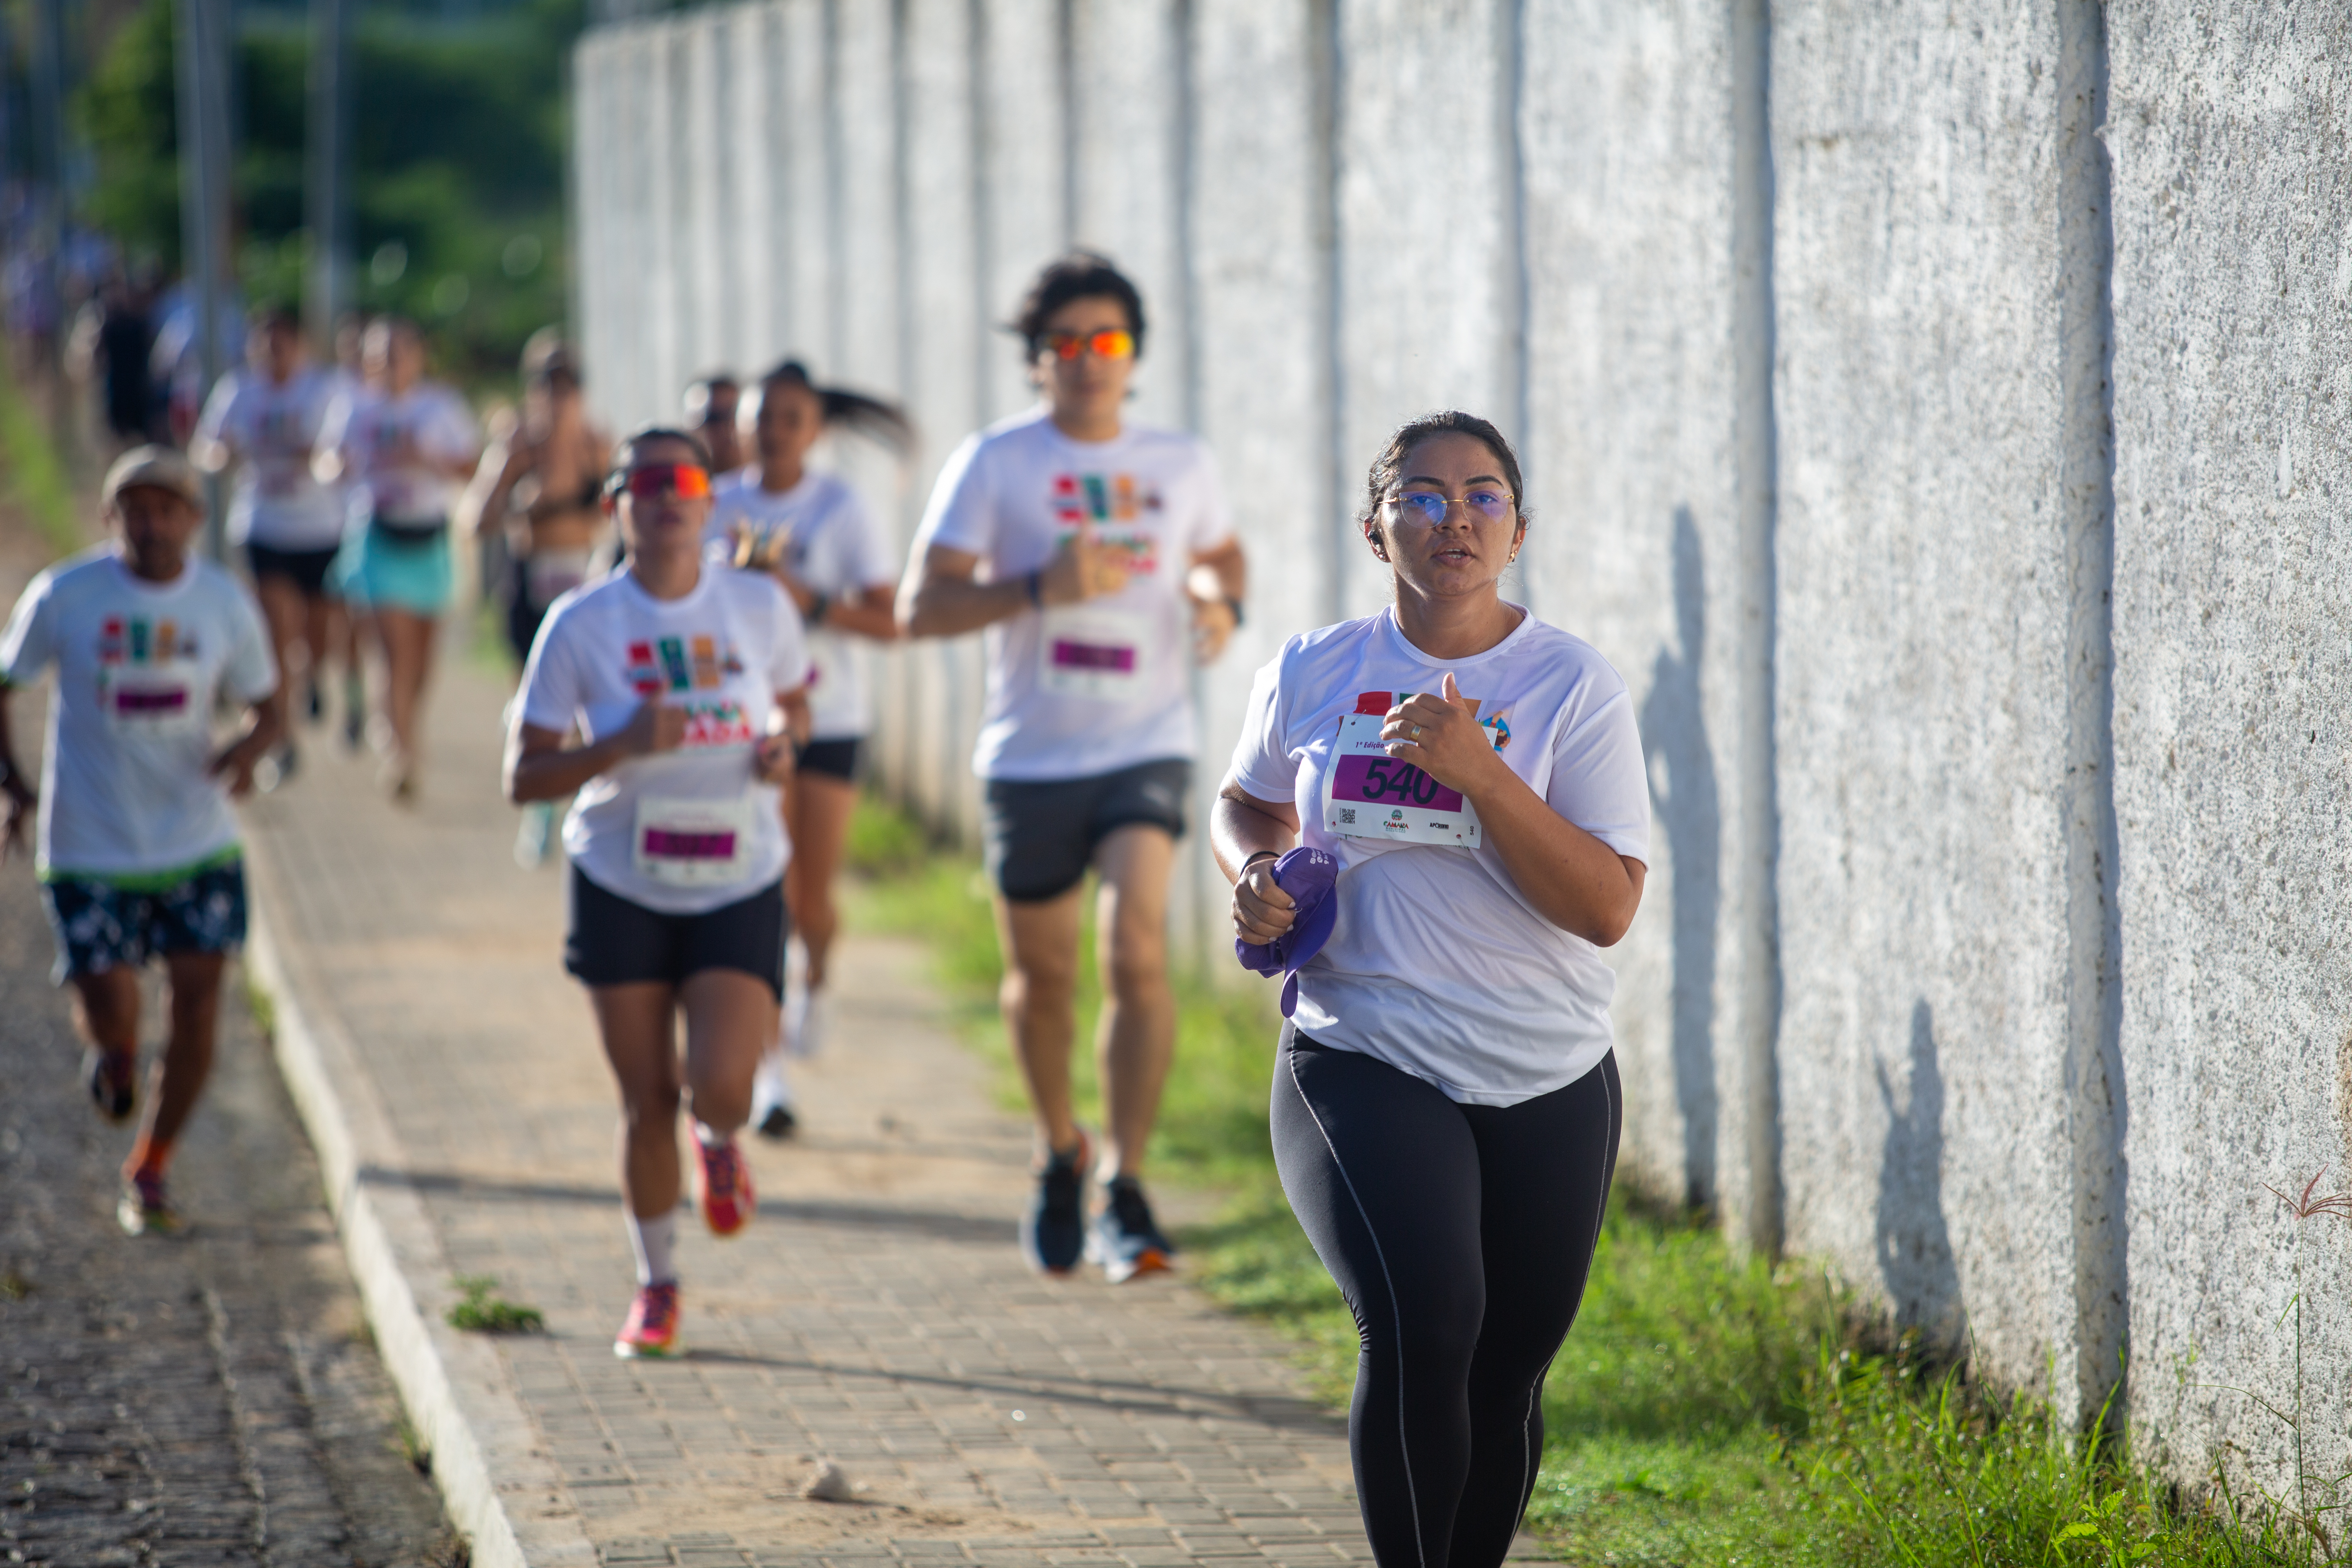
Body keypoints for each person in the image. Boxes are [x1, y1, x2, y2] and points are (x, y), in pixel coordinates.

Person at [1212, 411, 1649, 1568]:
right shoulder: (1314, 669)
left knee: (1505, 1370)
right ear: (1376, 529)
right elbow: (1245, 802)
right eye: (1421, 496)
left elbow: (1606, 907)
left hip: (1548, 1067)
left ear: (1515, 530)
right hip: (1362, 1048)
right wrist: (1252, 870)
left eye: (1483, 495)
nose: (1453, 515)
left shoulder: (1570, 684)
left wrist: (1480, 773)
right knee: (1423, 1326)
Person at [898, 253, 1247, 1282]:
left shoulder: (1179, 461)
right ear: (1036, 360)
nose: (1089, 362)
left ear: (1132, 354)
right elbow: (924, 605)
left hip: (1145, 742)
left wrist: (1214, 599)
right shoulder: (995, 463)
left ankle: (1126, 1185)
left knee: (1134, 948)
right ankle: (1061, 1146)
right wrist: (1037, 584)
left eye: (1108, 343)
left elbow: (1223, 557)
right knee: (1041, 977)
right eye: (1066, 345)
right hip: (1029, 755)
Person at [504, 427, 811, 1359]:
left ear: (709, 501)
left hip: (738, 871)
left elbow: (793, 704)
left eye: (683, 480)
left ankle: (717, 1141)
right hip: (620, 877)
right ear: (616, 506)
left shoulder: (758, 604)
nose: (666, 495)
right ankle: (655, 1285)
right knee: (644, 1098)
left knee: (720, 1083)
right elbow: (525, 777)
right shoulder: (581, 624)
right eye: (644, 483)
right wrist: (621, 743)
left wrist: (779, 749)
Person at [0, 448, 281, 1236]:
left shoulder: (224, 602)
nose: (152, 524)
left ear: (195, 519)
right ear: (110, 516)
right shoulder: (65, 595)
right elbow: (6, 679)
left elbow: (272, 707)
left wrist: (247, 752)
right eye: (136, 508)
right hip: (89, 845)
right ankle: (116, 1056)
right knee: (115, 1008)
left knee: (198, 1011)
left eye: (168, 508)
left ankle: (152, 1163)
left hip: (196, 843)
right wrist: (13, 782)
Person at [707, 360, 912, 1136]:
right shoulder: (719, 506)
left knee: (810, 899)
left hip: (830, 717)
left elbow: (889, 622)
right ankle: (771, 1078)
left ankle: (816, 979)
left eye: (790, 418)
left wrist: (803, 597)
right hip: (747, 724)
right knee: (763, 889)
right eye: (761, 417)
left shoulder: (841, 508)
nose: (773, 432)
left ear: (815, 429)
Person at [315, 316, 480, 802]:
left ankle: (409, 732)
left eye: (400, 353)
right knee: (391, 651)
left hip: (429, 538)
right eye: (381, 355)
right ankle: (399, 753)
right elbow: (327, 460)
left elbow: (471, 465)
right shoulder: (353, 407)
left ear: (418, 357)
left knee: (424, 660)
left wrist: (427, 459)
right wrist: (345, 466)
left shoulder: (441, 406)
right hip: (376, 536)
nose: (391, 364)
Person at [468, 331, 615, 865]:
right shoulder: (518, 445)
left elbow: (618, 516)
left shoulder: (599, 445)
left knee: (583, 706)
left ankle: (573, 804)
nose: (557, 396)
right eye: (546, 384)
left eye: (567, 383)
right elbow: (475, 518)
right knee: (534, 704)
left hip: (583, 582)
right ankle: (540, 813)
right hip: (530, 583)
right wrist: (520, 502)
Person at [192, 305, 351, 778]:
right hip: (263, 527)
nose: (271, 353)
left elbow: (339, 454)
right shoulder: (238, 391)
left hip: (321, 529)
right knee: (278, 631)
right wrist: (227, 453)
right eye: (263, 344)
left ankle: (315, 676)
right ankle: (284, 738)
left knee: (317, 632)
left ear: (299, 345)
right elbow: (206, 447)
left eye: (280, 342)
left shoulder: (323, 391)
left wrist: (318, 458)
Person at [683, 373, 743, 475]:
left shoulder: (774, 488)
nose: (726, 429)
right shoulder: (680, 489)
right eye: (714, 418)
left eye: (736, 416)